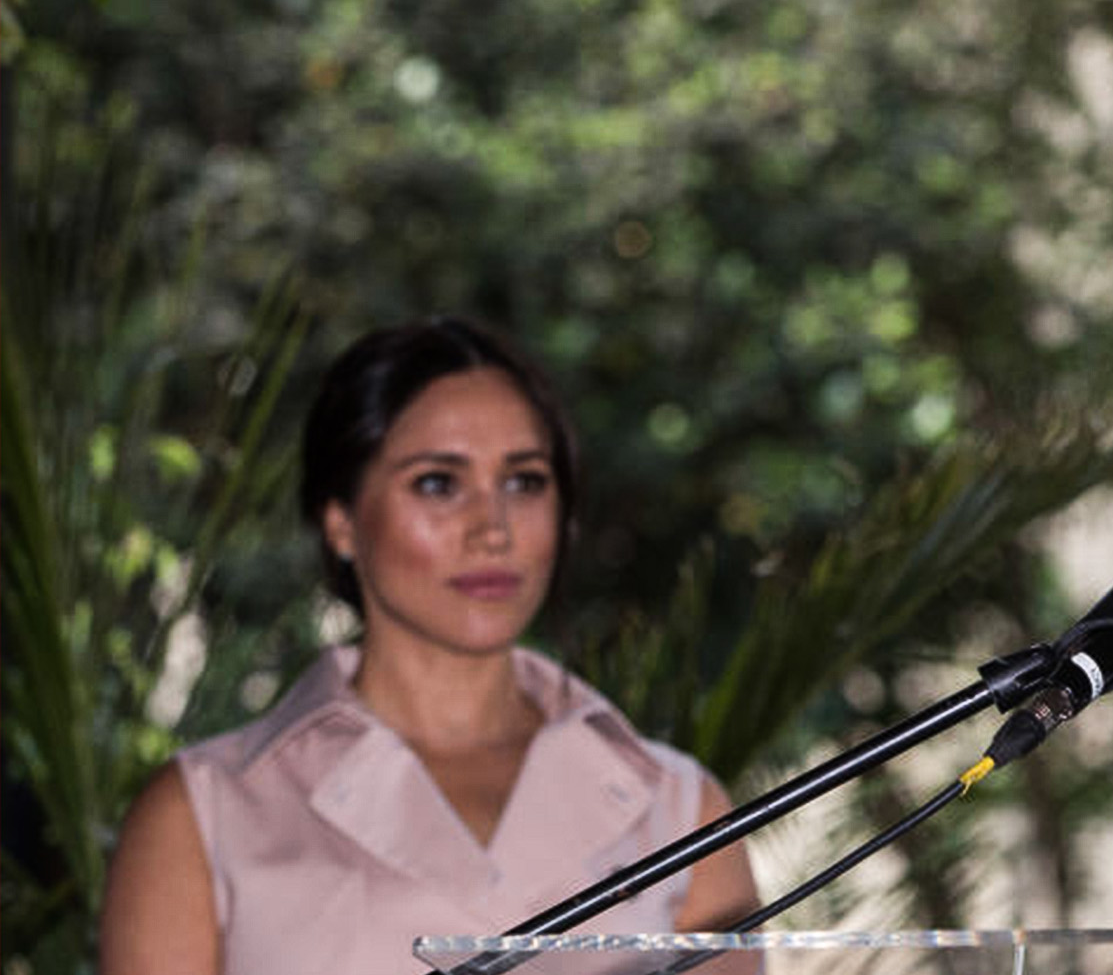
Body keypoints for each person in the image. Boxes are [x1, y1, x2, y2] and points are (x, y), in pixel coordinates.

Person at [98, 318, 759, 975]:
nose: (493, 529)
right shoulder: (203, 811)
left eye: (524, 480)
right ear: (342, 522)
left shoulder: (679, 808)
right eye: (439, 483)